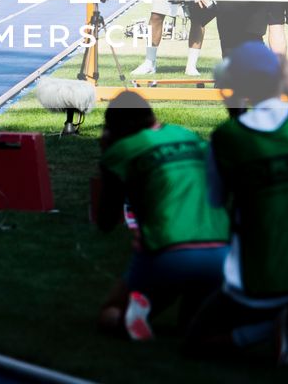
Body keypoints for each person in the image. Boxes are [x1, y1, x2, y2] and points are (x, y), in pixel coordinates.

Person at [188, 42, 288, 365]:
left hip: (260, 279)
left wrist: (232, 110)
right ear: (280, 78)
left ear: (237, 86)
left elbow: (216, 200)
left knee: (195, 339)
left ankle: (274, 326)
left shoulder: (227, 138)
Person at [92, 91, 230, 340]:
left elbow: (105, 221)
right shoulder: (188, 136)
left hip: (167, 251)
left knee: (109, 314)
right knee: (193, 330)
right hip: (220, 251)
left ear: (114, 128)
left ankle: (128, 318)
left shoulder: (121, 151)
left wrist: (107, 154)